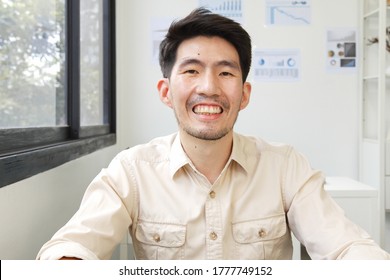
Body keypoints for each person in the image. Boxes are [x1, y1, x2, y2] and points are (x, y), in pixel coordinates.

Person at [37, 8, 390, 260]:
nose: (208, 88)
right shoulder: (131, 171)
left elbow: (345, 246)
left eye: (225, 73)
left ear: (244, 94)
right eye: (191, 70)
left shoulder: (285, 167)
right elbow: (72, 246)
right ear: (165, 91)